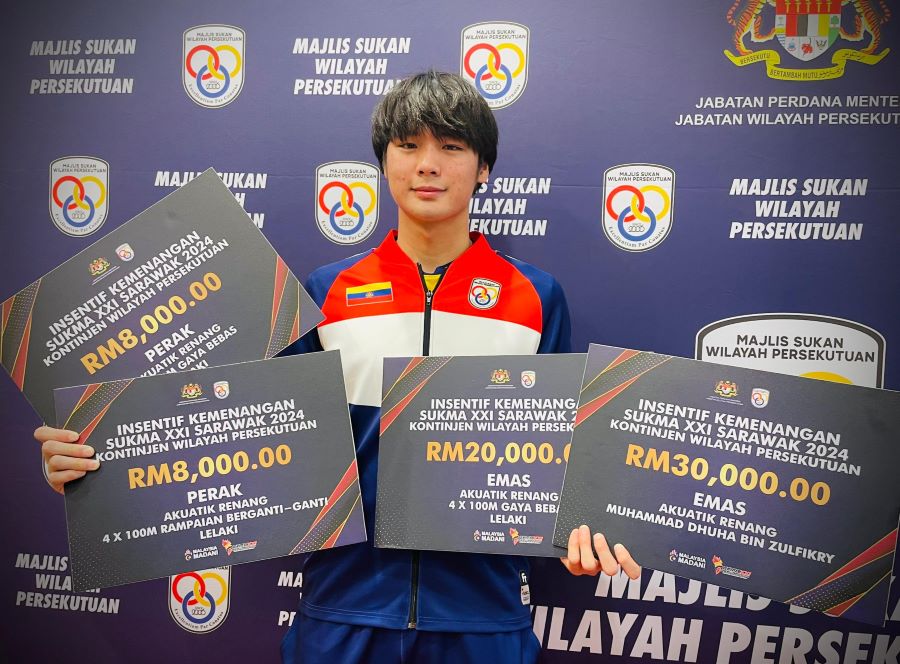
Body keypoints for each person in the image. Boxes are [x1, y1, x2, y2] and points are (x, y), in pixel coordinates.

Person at [35, 70, 639, 663]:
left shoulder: (536, 297)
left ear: (483, 168)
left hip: (483, 619)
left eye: (452, 147)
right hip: (341, 612)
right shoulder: (326, 293)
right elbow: (247, 440)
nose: (428, 165)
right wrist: (98, 465)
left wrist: (586, 527)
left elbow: (563, 453)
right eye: (408, 146)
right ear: (384, 162)